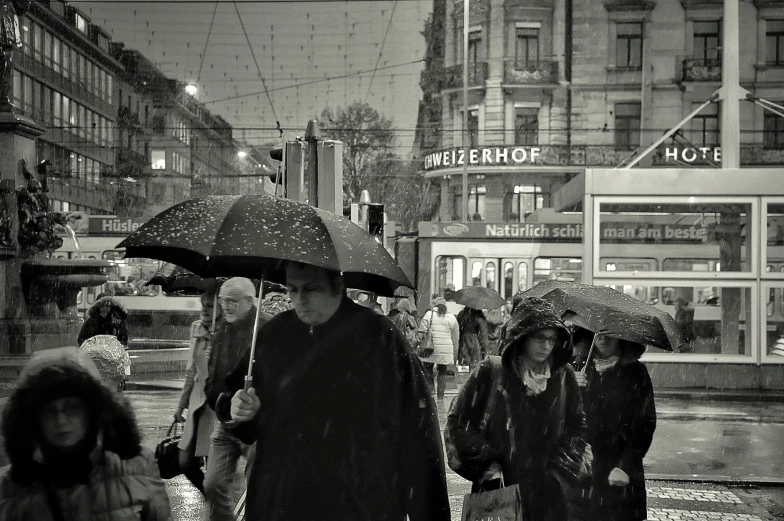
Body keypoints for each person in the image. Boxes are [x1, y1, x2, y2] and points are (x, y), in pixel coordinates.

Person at [214, 261, 451, 521]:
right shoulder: (274, 334)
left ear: (338, 285)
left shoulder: (379, 338)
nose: (299, 299)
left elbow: (419, 434)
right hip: (281, 503)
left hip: (359, 505)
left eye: (311, 289)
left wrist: (430, 512)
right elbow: (234, 401)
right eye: (292, 289)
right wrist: (238, 410)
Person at [444, 297, 588, 521]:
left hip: (548, 499)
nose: (547, 346)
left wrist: (559, 472)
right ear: (522, 336)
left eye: (552, 339)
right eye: (539, 337)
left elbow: (577, 426)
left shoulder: (562, 376)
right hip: (498, 494)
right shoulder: (491, 372)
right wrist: (487, 464)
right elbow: (458, 422)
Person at [0, 346, 170, 520]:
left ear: (92, 411)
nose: (61, 420)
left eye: (71, 408)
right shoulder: (9, 488)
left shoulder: (137, 467)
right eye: (49, 411)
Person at [203, 277, 271, 521]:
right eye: (223, 301)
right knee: (212, 484)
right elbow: (215, 368)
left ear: (248, 301)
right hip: (224, 418)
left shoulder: (266, 329)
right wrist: (214, 394)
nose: (226, 306)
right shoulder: (223, 327)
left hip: (256, 423)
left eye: (232, 301)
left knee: (258, 491)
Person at [572, 332, 657, 521]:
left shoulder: (635, 372)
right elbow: (562, 418)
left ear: (622, 337)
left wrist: (626, 466)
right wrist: (569, 385)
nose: (603, 338)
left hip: (619, 472)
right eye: (598, 333)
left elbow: (645, 422)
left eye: (610, 333)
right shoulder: (576, 368)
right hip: (583, 468)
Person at [173, 289, 220, 496]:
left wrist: (218, 352)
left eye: (210, 305)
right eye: (203, 304)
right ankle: (209, 497)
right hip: (196, 405)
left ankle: (216, 509)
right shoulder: (197, 328)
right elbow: (191, 370)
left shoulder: (229, 331)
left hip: (216, 406)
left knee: (214, 468)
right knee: (184, 462)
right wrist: (181, 405)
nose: (204, 310)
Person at [417, 296, 459, 401]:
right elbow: (455, 337)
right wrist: (455, 352)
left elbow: (422, 331)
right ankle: (440, 397)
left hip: (431, 347)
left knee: (428, 369)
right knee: (442, 372)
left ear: (435, 304)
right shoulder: (452, 318)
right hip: (446, 349)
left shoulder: (429, 315)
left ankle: (430, 392)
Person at [456, 306, 489, 372]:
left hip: (463, 344)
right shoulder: (479, 317)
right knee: (474, 369)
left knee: (463, 369)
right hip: (474, 345)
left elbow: (457, 330)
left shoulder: (461, 315)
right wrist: (484, 351)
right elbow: (483, 336)